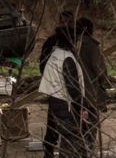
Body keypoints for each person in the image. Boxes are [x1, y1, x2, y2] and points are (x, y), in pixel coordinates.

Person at [39, 27, 86, 158]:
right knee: (70, 143)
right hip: (67, 104)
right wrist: (82, 106)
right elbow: (73, 87)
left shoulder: (55, 54)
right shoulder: (67, 58)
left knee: (58, 136)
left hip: (55, 100)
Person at [75, 17, 109, 155]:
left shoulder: (73, 44)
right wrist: (104, 82)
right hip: (90, 94)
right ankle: (87, 152)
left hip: (75, 93)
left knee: (79, 128)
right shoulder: (91, 46)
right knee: (90, 129)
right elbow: (99, 69)